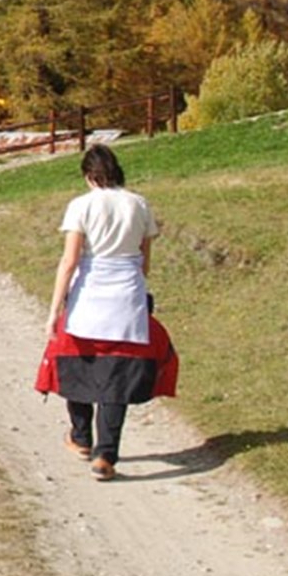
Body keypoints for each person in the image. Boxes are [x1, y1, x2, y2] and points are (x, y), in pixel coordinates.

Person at [37, 142, 177, 480]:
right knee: (118, 373)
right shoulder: (139, 204)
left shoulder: (81, 205)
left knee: (76, 365)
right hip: (126, 296)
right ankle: (105, 455)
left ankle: (81, 436)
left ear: (89, 175)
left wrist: (54, 309)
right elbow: (144, 262)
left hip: (89, 294)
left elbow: (70, 260)